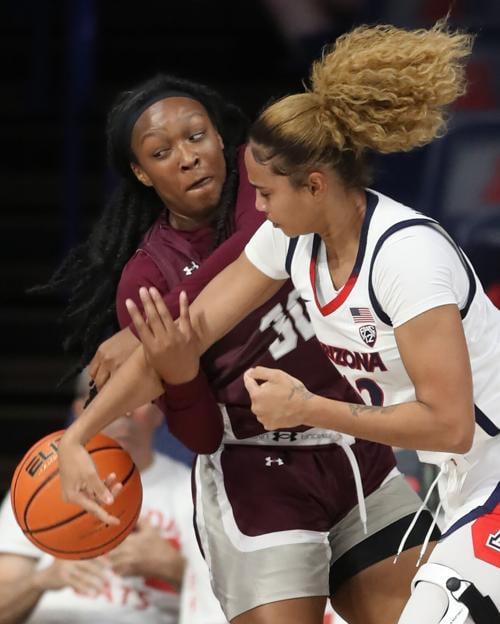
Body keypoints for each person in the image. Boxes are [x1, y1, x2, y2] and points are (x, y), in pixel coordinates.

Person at [119, 22, 500, 624]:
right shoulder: (290, 245)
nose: (258, 210)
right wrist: (82, 432)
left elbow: (451, 426)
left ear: (314, 185)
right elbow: (192, 326)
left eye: (265, 194)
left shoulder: (406, 256)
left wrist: (308, 409)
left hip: (472, 463)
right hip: (450, 479)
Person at [49, 73, 441, 624]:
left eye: (197, 136)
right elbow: (202, 436)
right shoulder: (145, 277)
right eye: (162, 152)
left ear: (222, 139)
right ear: (142, 172)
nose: (187, 157)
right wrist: (180, 375)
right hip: (257, 476)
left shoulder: (267, 189)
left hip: (355, 449)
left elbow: (258, 242)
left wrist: (147, 335)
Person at [0, 371, 226, 624]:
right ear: (79, 411)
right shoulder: (38, 485)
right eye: (107, 398)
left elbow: (240, 602)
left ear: (160, 410)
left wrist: (175, 569)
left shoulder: (194, 490)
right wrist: (42, 579)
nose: (123, 412)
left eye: (135, 398)